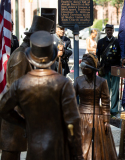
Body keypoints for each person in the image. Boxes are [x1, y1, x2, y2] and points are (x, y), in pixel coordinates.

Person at [0, 31, 84, 160]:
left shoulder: (20, 84)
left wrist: (24, 123)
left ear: (31, 57)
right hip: (57, 146)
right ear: (53, 56)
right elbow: (73, 121)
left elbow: (3, 108)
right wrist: (77, 153)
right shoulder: (63, 83)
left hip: (35, 147)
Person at [1, 16, 54, 160]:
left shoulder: (27, 55)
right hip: (14, 116)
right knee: (10, 152)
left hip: (20, 115)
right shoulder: (20, 56)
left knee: (15, 151)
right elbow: (16, 90)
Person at [74, 53, 117, 160]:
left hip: (97, 117)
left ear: (92, 67)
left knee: (98, 146)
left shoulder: (102, 82)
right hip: (81, 116)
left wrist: (107, 120)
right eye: (82, 65)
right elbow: (71, 99)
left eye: (86, 65)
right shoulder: (78, 80)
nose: (83, 67)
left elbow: (106, 102)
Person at [96, 24, 121, 116]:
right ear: (105, 31)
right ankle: (105, 108)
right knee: (105, 90)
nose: (109, 31)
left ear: (113, 30)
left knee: (115, 90)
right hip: (104, 68)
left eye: (111, 30)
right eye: (107, 30)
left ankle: (114, 110)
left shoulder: (117, 42)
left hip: (115, 68)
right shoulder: (101, 42)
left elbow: (121, 54)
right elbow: (97, 56)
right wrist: (98, 63)